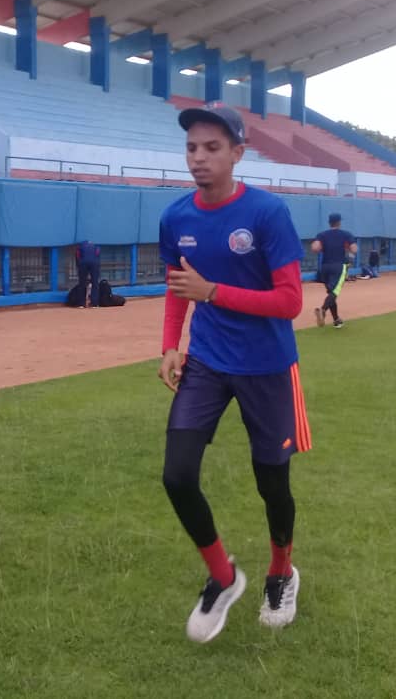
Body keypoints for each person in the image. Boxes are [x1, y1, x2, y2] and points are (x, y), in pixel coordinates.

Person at [158, 106, 312, 644]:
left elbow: (291, 302)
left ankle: (280, 572)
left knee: (272, 483)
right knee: (176, 474)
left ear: (238, 154)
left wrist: (215, 293)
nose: (199, 158)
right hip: (206, 362)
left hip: (268, 368)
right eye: (192, 148)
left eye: (212, 148)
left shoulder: (268, 213)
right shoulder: (177, 217)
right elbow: (180, 286)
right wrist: (170, 346)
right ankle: (223, 576)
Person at [311, 213, 357, 329]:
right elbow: (354, 249)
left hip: (325, 267)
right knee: (334, 293)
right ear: (339, 222)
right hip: (339, 266)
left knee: (331, 293)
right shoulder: (346, 234)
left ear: (329, 222)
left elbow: (315, 248)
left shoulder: (322, 235)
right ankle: (322, 310)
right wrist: (350, 259)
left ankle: (336, 320)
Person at [76, 240, 101, 307]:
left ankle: (82, 303)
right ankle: (94, 303)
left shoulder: (80, 246)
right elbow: (98, 254)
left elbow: (77, 256)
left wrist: (78, 265)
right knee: (95, 283)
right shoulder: (96, 246)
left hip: (83, 263)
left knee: (82, 283)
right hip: (94, 263)